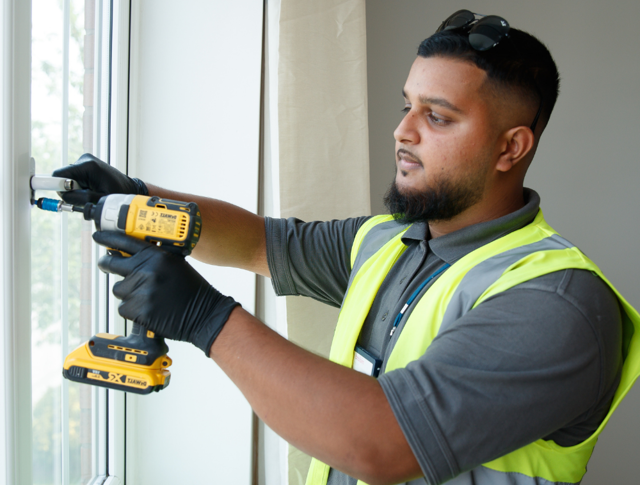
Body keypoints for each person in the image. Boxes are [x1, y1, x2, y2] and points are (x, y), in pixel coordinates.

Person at [53, 10, 640, 485]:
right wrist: (134, 197)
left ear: (511, 148)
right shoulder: (389, 240)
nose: (403, 131)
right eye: (406, 105)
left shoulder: (557, 305)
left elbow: (384, 444)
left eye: (436, 117)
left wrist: (205, 318)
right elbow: (262, 242)